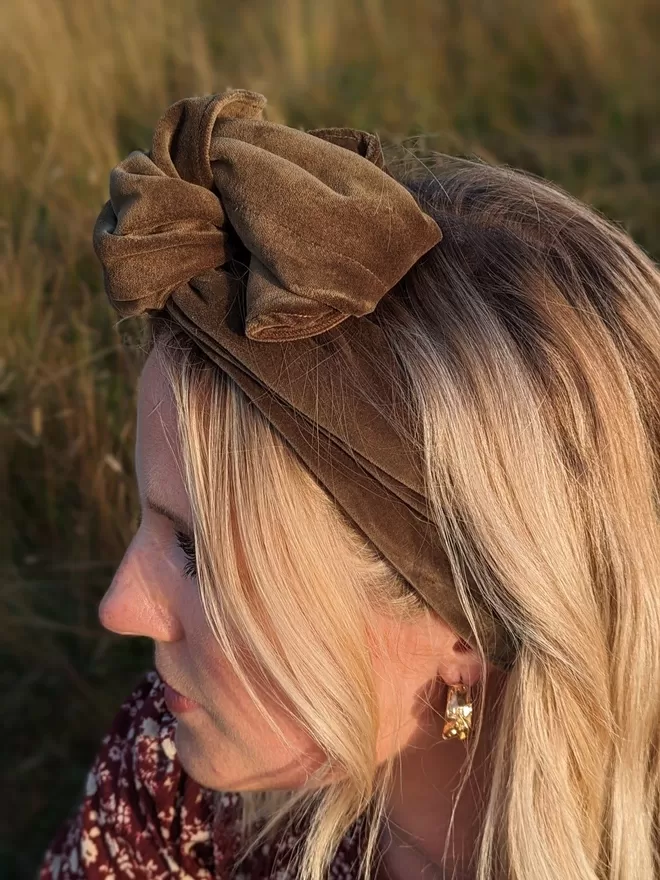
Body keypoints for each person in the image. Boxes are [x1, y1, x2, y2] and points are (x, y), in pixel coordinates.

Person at [39, 87, 660, 880]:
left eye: (200, 554)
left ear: (465, 623)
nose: (119, 606)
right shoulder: (178, 783)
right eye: (152, 527)